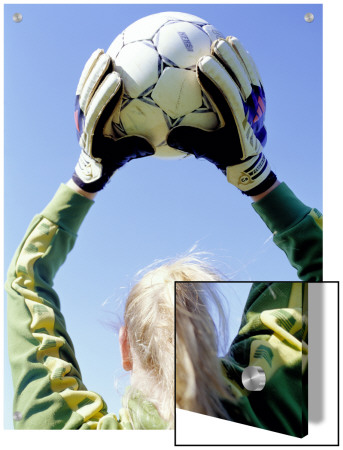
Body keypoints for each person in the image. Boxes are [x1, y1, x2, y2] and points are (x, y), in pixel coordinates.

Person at [6, 37, 322, 431]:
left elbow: (25, 283)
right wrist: (256, 176)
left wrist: (85, 177)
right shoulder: (280, 395)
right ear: (207, 337)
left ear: (125, 346)